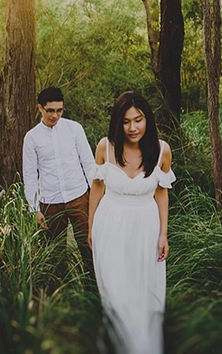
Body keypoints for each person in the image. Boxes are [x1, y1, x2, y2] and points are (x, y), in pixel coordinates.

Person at [88, 91, 175, 354]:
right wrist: (91, 228)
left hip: (146, 228)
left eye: (138, 120)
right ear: (118, 122)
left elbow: (161, 191)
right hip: (110, 225)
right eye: (126, 121)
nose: (133, 127)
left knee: (144, 295)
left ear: (147, 119)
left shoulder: (162, 150)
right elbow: (96, 187)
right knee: (115, 294)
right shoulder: (106, 146)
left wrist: (163, 233)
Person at [23, 86, 96, 271]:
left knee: (90, 247)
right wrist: (34, 209)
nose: (55, 115)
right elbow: (30, 174)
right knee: (55, 254)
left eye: (59, 110)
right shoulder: (31, 138)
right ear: (40, 108)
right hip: (50, 203)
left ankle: (94, 292)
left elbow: (89, 164)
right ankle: (61, 293)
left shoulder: (74, 129)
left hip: (80, 198)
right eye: (50, 111)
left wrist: (96, 196)